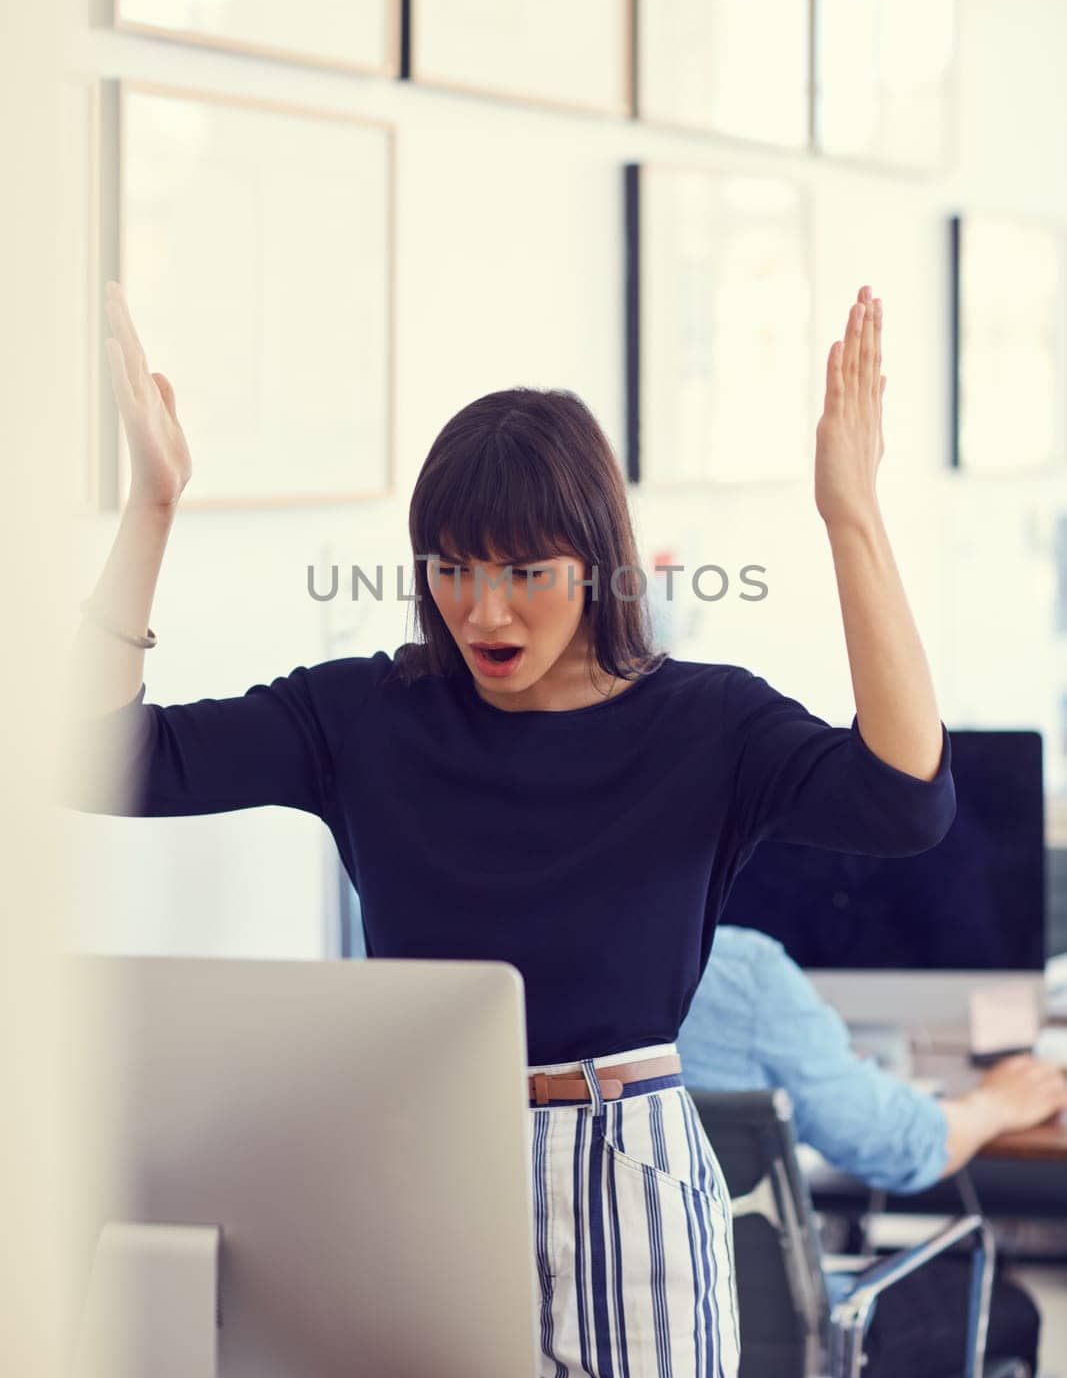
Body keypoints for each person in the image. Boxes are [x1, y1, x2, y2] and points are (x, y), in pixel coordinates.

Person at [63, 279, 958, 1378]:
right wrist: (152, 503)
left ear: (594, 564)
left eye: (523, 572)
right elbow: (105, 759)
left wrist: (849, 517)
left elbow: (905, 797)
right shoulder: (362, 716)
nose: (482, 609)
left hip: (630, 1178)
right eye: (450, 567)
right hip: (424, 1170)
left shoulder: (704, 722)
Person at [678, 925, 1067, 1376]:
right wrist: (997, 1102)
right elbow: (901, 1148)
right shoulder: (736, 970)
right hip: (797, 1342)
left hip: (632, 1332)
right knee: (1009, 1307)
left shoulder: (583, 967)